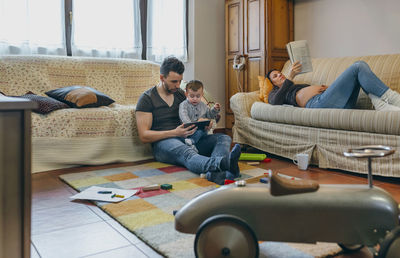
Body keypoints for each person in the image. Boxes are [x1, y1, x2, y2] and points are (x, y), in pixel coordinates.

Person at [135, 56, 241, 185]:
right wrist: (175, 132)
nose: (178, 85)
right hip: (165, 143)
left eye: (180, 81)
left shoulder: (180, 94)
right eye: (174, 81)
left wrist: (205, 122)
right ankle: (226, 164)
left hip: (189, 138)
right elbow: (144, 136)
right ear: (162, 78)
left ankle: (216, 174)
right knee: (187, 153)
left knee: (223, 138)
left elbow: (201, 111)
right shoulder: (147, 98)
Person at [267, 61, 400, 111]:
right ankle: (391, 100)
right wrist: (289, 77)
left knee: (358, 75)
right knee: (358, 67)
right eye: (275, 76)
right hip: (316, 104)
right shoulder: (274, 94)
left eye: (280, 73)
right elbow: (275, 102)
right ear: (273, 84)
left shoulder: (295, 85)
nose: (280, 75)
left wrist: (329, 89)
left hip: (332, 101)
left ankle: (381, 105)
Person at [179, 79, 221, 152]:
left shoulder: (203, 105)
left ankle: (193, 144)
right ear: (186, 94)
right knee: (199, 131)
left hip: (202, 131)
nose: (195, 99)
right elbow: (184, 118)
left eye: (198, 96)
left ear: (202, 95)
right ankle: (191, 141)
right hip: (188, 132)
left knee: (205, 131)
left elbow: (210, 115)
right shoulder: (183, 105)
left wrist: (215, 109)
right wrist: (195, 124)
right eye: (192, 96)